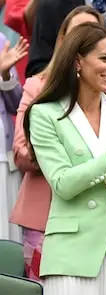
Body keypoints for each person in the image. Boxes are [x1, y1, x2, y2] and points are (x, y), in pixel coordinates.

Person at [10, 5, 106, 281]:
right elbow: (20, 152)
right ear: (65, 44)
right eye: (78, 34)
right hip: (48, 217)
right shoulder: (37, 87)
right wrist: (60, 146)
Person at [0, 33, 28, 242]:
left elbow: (17, 104)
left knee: (7, 234)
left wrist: (5, 76)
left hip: (3, 156)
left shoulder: (2, 41)